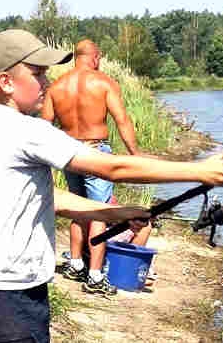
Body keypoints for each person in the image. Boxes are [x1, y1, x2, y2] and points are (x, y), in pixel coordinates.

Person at [0, 29, 223, 343]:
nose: (46, 83)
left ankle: (80, 263)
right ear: (5, 82)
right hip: (5, 301)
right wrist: (200, 171)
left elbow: (50, 199)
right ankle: (95, 273)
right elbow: (113, 167)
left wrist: (116, 213)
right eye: (36, 74)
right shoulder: (24, 129)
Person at [41, 39, 151, 295]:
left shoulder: (57, 86)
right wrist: (136, 156)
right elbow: (122, 120)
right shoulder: (103, 82)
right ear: (96, 57)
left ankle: (77, 263)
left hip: (69, 153)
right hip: (95, 152)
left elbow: (44, 127)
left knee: (79, 210)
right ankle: (95, 275)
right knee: (99, 212)